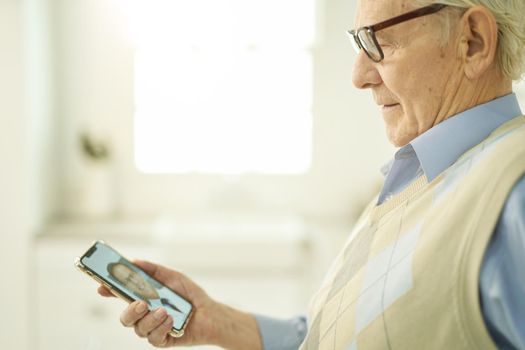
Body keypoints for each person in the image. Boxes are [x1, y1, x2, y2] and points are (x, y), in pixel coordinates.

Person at [98, 0, 525, 348]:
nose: (359, 76)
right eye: (358, 42)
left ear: (473, 42)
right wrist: (216, 321)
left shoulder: (514, 195)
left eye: (379, 42)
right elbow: (339, 335)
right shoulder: (418, 175)